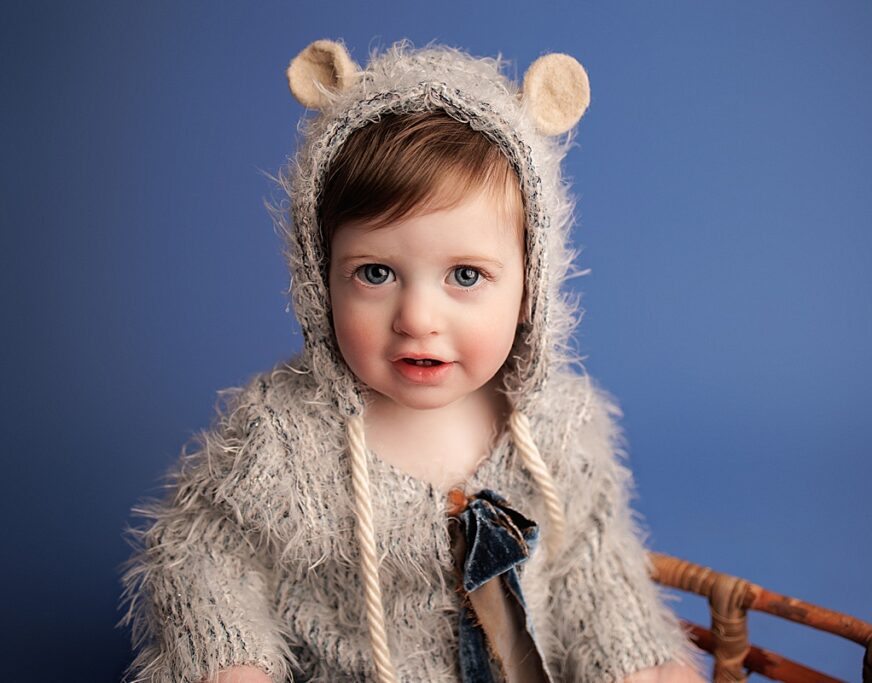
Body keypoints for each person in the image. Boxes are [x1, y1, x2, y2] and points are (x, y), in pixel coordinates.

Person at [119, 38, 708, 683]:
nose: (418, 318)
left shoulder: (558, 427)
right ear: (320, 281)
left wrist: (640, 662)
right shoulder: (286, 435)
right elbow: (201, 553)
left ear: (530, 289)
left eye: (465, 274)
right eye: (375, 273)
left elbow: (592, 569)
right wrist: (230, 660)